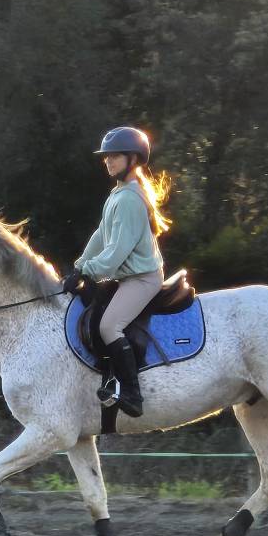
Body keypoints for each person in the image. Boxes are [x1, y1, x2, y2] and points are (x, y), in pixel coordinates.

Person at [62, 126, 170, 417]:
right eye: (106, 156)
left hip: (142, 279)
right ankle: (108, 376)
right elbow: (101, 235)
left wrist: (89, 272)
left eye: (115, 156)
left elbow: (116, 253)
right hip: (126, 276)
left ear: (133, 159)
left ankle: (133, 395)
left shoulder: (130, 200)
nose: (108, 161)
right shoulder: (118, 194)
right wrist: (80, 265)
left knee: (109, 326)